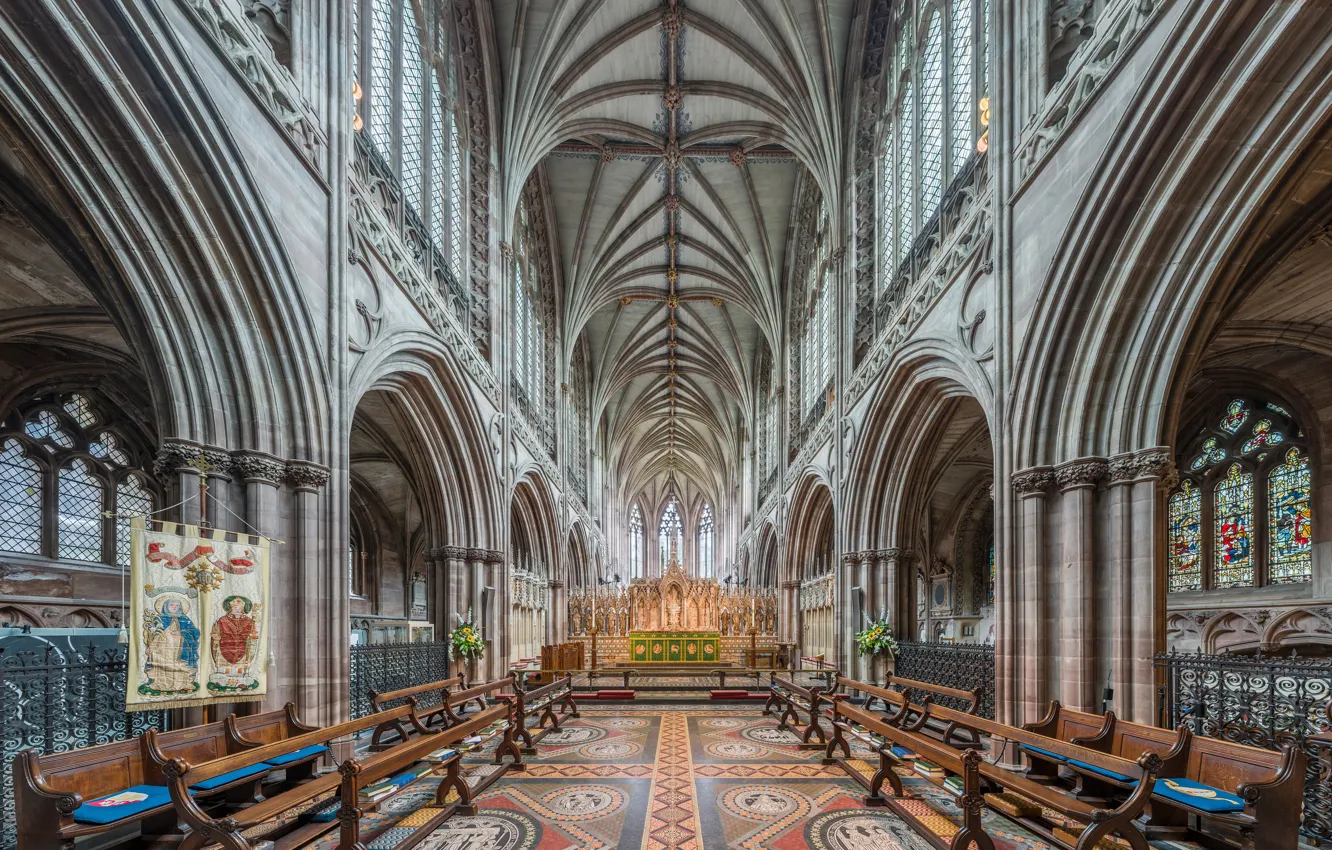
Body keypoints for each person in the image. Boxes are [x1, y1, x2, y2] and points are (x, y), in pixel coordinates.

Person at [145, 595, 199, 693]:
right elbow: (155, 634)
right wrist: (151, 647)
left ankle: (183, 684)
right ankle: (160, 684)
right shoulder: (160, 619)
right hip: (162, 648)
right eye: (172, 605)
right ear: (166, 606)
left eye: (177, 605)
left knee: (179, 665)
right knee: (163, 665)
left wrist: (182, 633)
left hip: (180, 647)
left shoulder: (184, 619)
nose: (174, 607)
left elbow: (194, 632)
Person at [210, 594, 260, 687]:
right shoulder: (222, 620)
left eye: (240, 608)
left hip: (243, 649)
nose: (237, 610)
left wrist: (252, 634)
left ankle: (241, 679)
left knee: (240, 668)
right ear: (231, 608)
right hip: (225, 648)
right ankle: (222, 679)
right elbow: (216, 633)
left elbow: (253, 634)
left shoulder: (249, 621)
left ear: (243, 609)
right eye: (235, 607)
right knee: (224, 668)